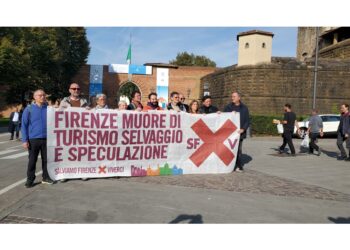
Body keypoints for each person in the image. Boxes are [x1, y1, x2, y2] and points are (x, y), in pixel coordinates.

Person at [21, 89, 55, 188]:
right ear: (35, 97)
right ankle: (30, 179)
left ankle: (46, 177)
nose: (43, 97)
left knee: (46, 160)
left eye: (44, 95)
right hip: (33, 139)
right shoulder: (29, 109)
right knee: (32, 160)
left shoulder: (49, 109)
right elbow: (24, 125)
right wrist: (24, 140)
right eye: (40, 95)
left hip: (47, 139)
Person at [59, 83, 89, 182]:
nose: (76, 90)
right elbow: (58, 116)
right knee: (67, 152)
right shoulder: (64, 102)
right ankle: (65, 173)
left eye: (78, 88)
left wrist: (89, 111)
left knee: (81, 152)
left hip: (82, 132)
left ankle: (82, 172)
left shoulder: (84, 102)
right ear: (70, 90)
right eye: (74, 88)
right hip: (68, 132)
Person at [224, 91, 250, 171]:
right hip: (229, 133)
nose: (232, 98)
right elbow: (223, 117)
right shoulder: (228, 107)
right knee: (228, 149)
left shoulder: (244, 108)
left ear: (239, 98)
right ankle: (228, 165)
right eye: (232, 96)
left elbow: (247, 121)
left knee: (238, 149)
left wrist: (243, 129)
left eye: (234, 96)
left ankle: (238, 165)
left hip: (239, 133)